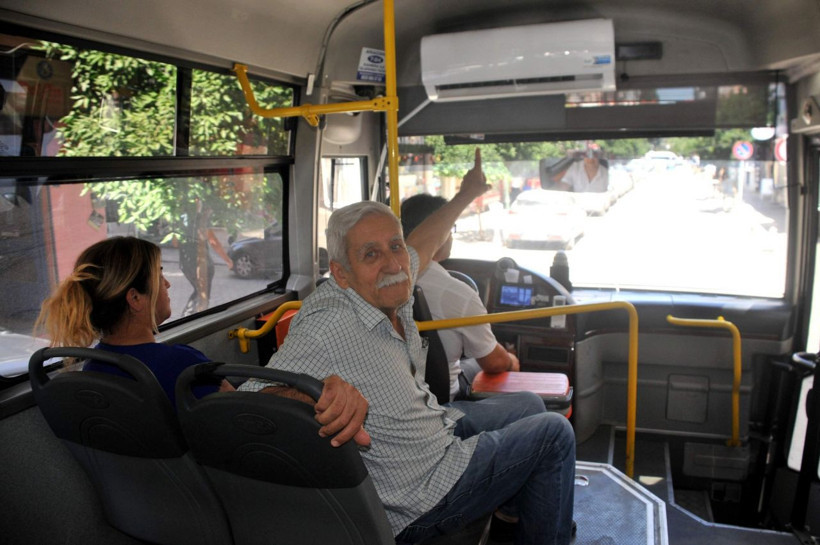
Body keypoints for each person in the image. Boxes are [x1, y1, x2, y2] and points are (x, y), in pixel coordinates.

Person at [240, 149, 576, 544]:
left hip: (433, 432)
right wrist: (312, 392)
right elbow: (252, 399)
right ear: (341, 274)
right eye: (371, 254)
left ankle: (516, 511)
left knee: (530, 405)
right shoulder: (328, 320)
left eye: (394, 246)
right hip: (422, 495)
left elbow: (424, 242)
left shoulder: (392, 281)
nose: (393, 263)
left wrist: (466, 194)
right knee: (554, 433)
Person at [34, 236, 231, 407]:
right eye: (160, 276)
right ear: (135, 298)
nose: (168, 284)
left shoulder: (94, 366)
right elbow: (243, 414)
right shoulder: (182, 363)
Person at [400, 193, 519, 402]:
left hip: (402, 393)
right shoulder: (458, 293)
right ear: (439, 233)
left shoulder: (381, 283)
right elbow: (494, 364)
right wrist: (511, 360)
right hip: (446, 399)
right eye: (450, 228)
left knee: (470, 363)